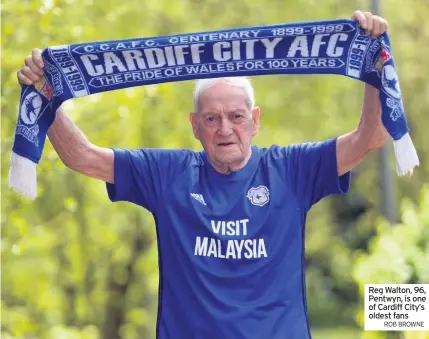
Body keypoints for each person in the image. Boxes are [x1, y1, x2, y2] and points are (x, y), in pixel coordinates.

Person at [17, 10, 389, 339]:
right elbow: (81, 157)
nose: (225, 129)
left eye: (236, 117)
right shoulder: (167, 174)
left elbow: (371, 137)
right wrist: (46, 94)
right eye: (212, 119)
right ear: (195, 126)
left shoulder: (292, 169)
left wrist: (374, 71)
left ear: (255, 121)